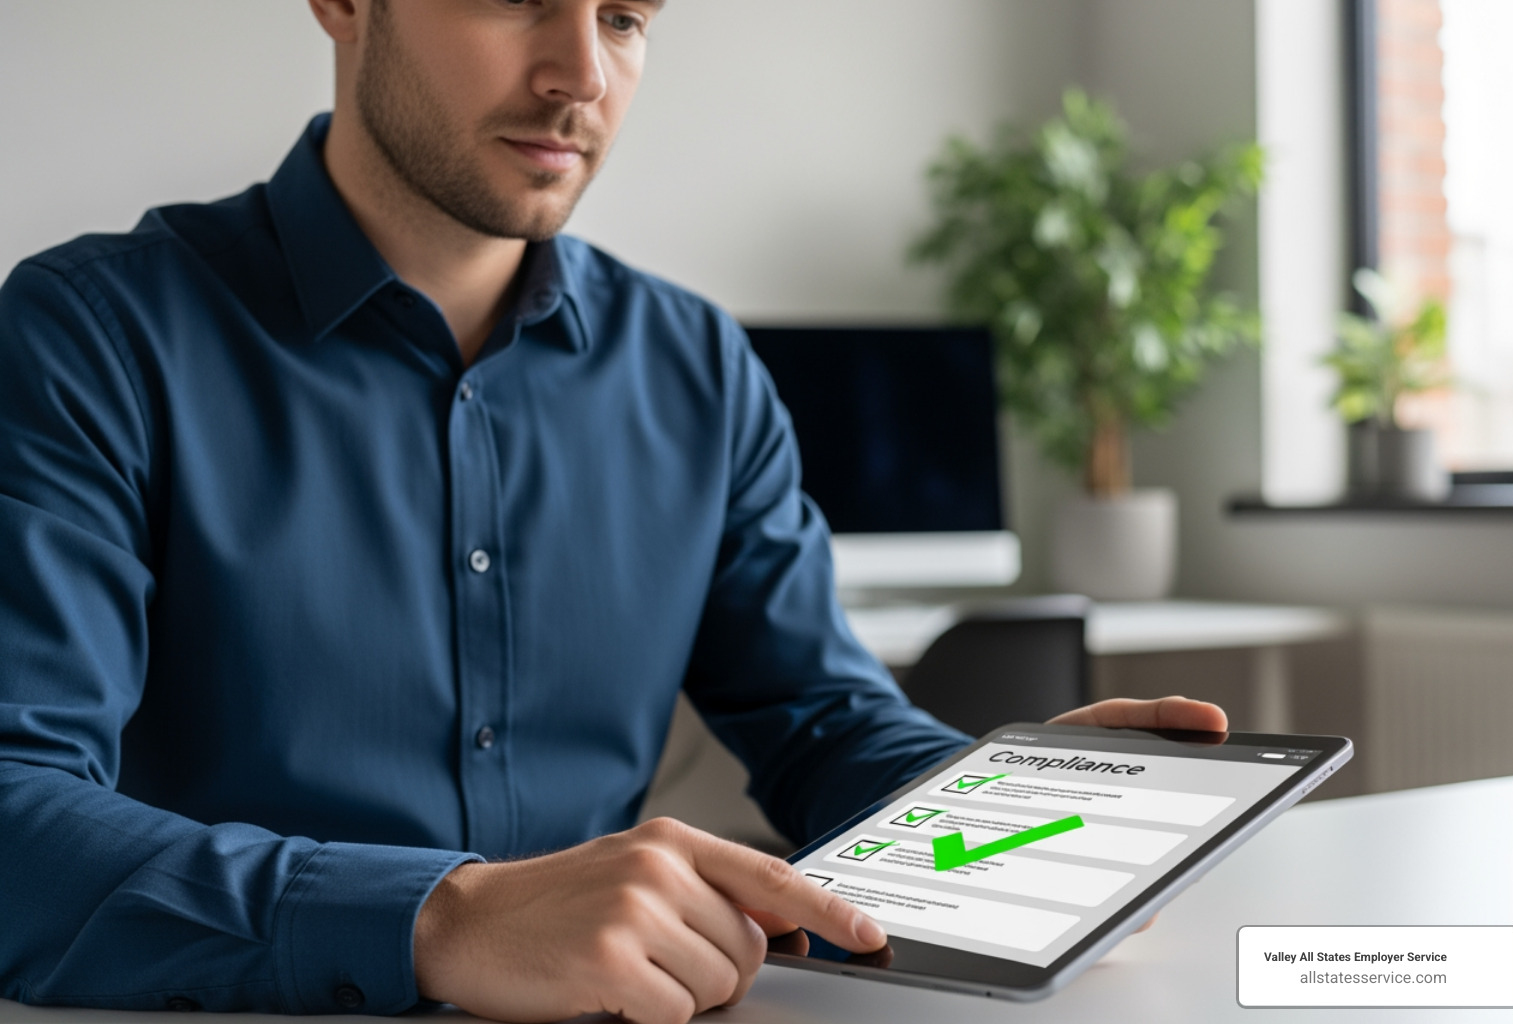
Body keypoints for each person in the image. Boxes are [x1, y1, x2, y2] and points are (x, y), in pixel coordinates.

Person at [0, 2, 1227, 1022]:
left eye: (626, 17)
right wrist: (441, 917)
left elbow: (822, 719)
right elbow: (15, 816)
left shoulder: (700, 368)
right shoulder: (89, 341)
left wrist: (1010, 815)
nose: (578, 73)